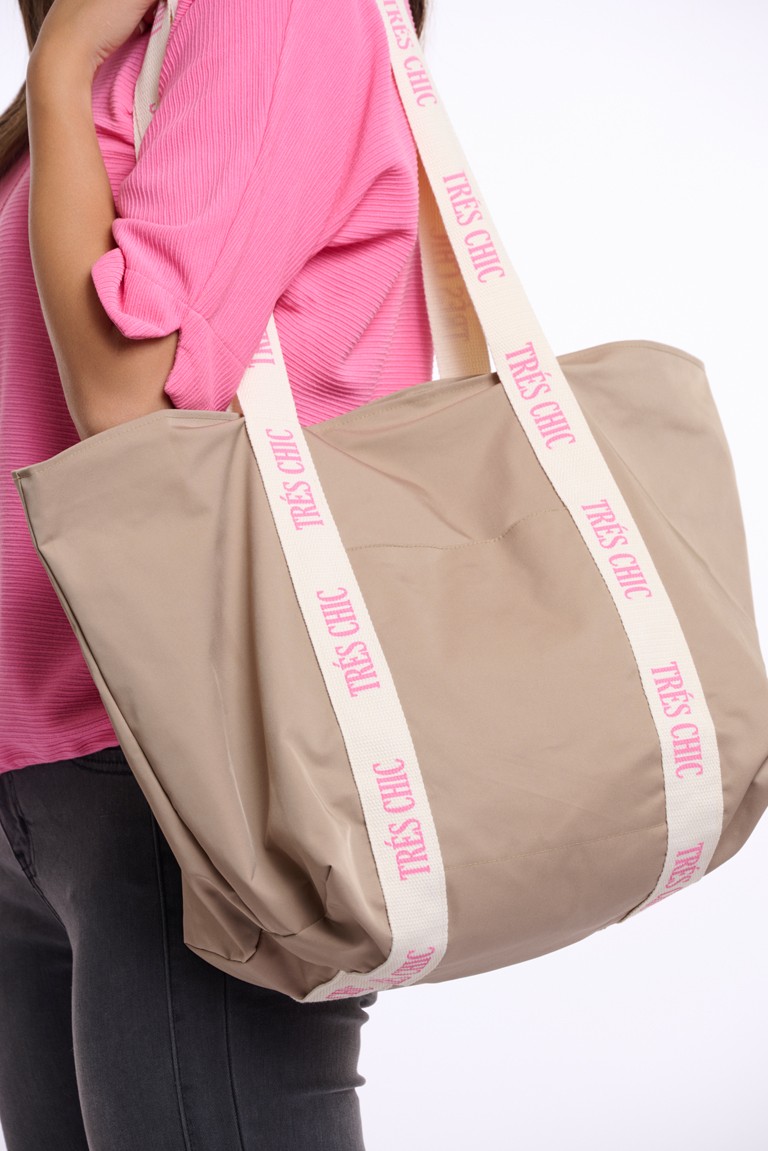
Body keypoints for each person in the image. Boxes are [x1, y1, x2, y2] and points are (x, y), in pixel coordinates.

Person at [0, 0, 432, 1147]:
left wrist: (61, 61)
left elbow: (128, 400)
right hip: (41, 780)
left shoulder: (270, 12)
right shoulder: (118, 52)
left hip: (185, 765)